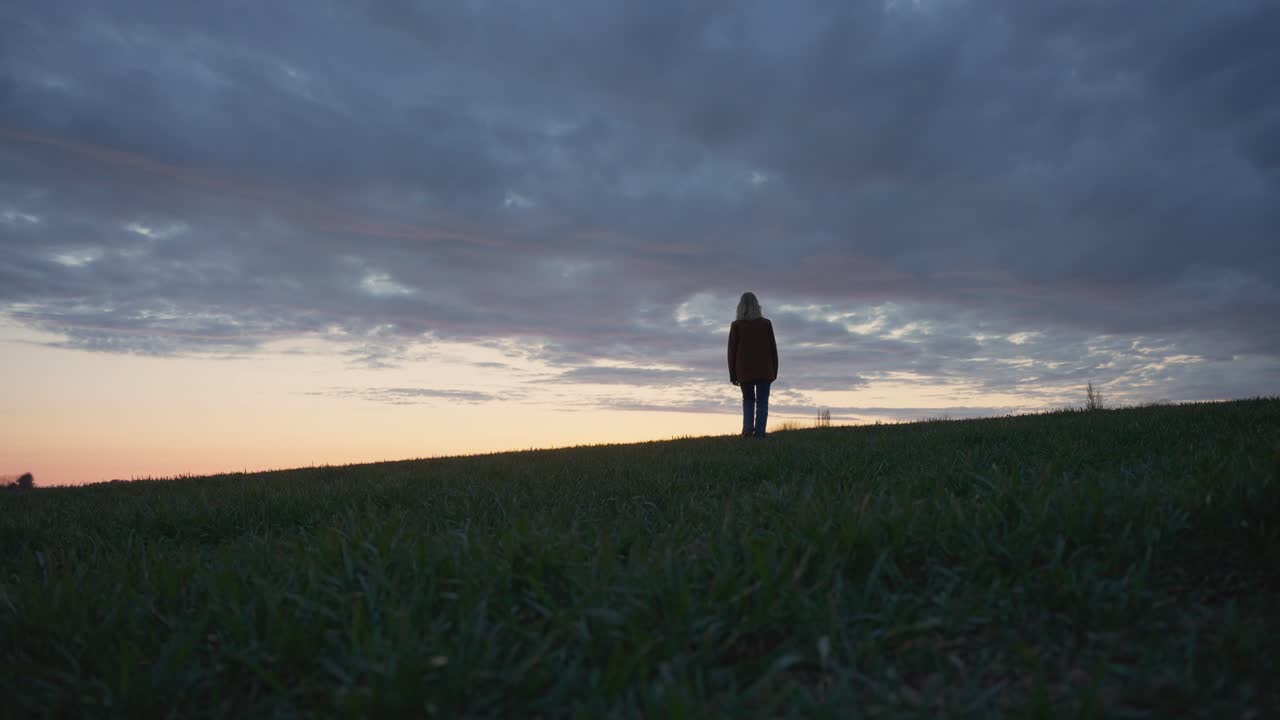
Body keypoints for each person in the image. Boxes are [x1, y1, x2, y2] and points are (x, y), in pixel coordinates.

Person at [727, 291, 778, 438]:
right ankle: (760, 434)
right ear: (757, 306)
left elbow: (732, 352)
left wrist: (733, 375)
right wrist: (774, 371)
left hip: (744, 371)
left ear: (740, 307)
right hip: (765, 371)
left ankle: (748, 431)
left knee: (748, 400)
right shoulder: (766, 324)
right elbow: (773, 349)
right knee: (762, 402)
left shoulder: (736, 326)